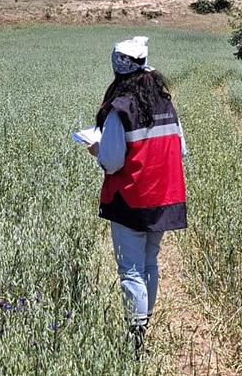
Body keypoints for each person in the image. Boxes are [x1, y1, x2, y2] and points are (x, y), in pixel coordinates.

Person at [87, 36, 187, 356]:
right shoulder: (166, 104)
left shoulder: (120, 108)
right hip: (163, 199)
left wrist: (96, 150)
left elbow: (112, 161)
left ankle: (135, 340)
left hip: (131, 198)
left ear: (118, 70)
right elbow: (180, 150)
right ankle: (145, 326)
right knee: (149, 263)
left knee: (130, 270)